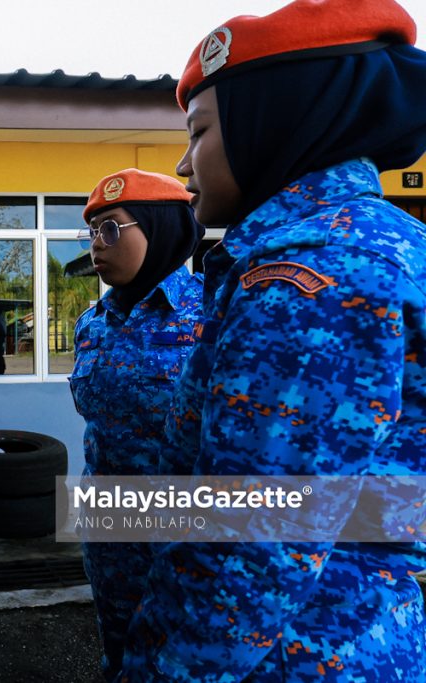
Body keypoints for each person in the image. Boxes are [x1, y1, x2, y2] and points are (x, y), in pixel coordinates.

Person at [118, 0, 426, 679]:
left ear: (270, 125)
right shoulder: (380, 244)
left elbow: (246, 557)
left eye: (198, 130)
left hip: (292, 656)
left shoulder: (307, 278)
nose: (184, 161)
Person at [68, 169, 204, 681]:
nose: (96, 245)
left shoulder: (212, 312)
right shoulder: (92, 324)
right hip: (109, 520)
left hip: (186, 525)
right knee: (120, 653)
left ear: (161, 227)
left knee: (185, 657)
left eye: (111, 229)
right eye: (91, 232)